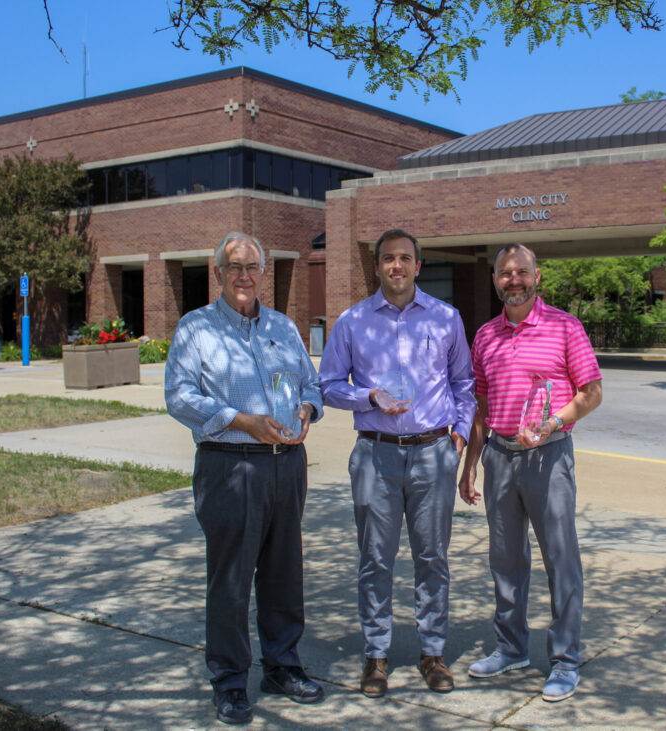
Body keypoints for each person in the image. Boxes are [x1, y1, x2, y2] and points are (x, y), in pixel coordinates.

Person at [165, 231, 325, 725]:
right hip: (229, 465)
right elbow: (179, 396)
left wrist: (306, 408)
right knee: (231, 579)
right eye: (234, 267)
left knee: (284, 573)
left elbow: (311, 383)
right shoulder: (196, 330)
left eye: (252, 267)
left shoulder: (283, 327)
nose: (244, 276)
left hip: (286, 464)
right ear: (218, 273)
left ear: (263, 273)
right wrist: (240, 419)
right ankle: (230, 681)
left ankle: (282, 664)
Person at [319, 228, 476, 698]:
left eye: (405, 258)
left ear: (418, 266)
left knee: (433, 558)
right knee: (375, 559)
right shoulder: (352, 322)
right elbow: (327, 384)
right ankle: (376, 654)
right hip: (375, 453)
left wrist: (460, 435)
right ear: (378, 266)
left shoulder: (446, 319)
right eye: (388, 259)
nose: (396, 266)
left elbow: (463, 385)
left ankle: (432, 652)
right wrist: (366, 394)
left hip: (433, 453)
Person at [458, 243, 603, 703]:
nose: (513, 279)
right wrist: (470, 468)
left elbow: (592, 391)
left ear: (537, 277)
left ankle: (564, 660)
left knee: (560, 559)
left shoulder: (564, 326)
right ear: (496, 279)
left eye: (522, 271)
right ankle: (511, 648)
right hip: (499, 456)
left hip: (549, 458)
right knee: (505, 560)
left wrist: (554, 422)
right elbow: (481, 406)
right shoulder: (484, 336)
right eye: (505, 272)